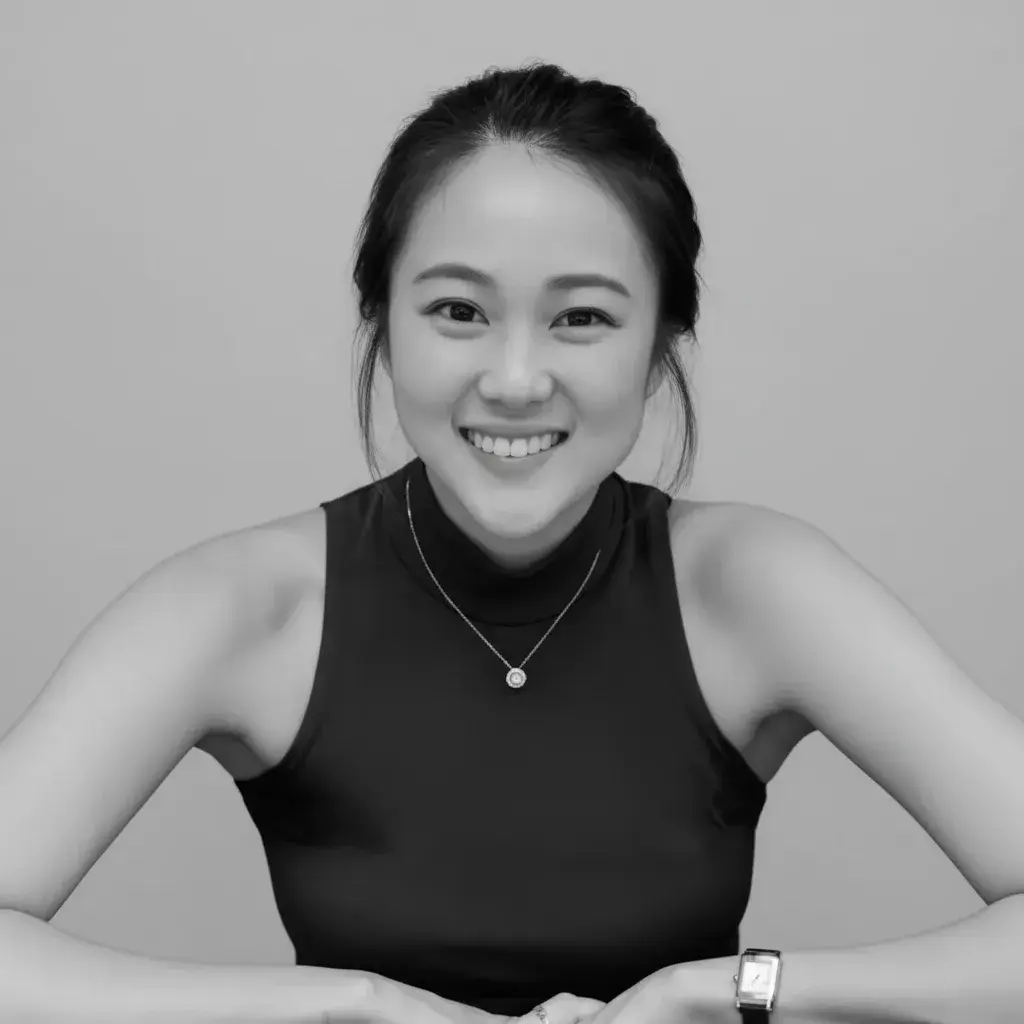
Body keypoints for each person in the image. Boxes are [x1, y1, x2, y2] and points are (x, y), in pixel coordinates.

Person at [13, 58, 1022, 1024]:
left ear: (662, 343)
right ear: (381, 322)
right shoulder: (241, 606)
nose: (513, 378)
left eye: (581, 317)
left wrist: (726, 993)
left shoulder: (754, 589)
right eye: (457, 310)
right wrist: (336, 1004)